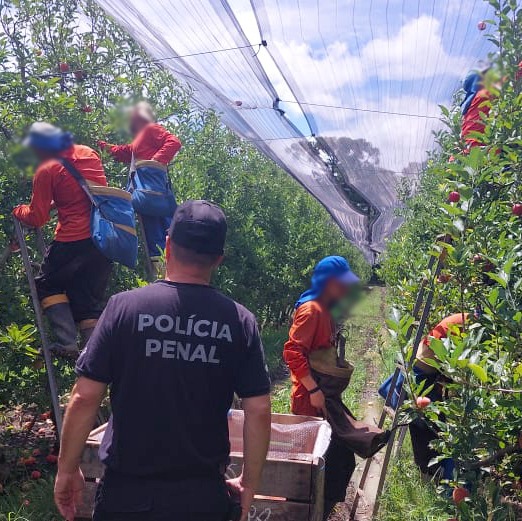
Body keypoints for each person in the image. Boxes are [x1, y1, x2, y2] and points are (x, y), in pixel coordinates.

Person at [54, 200, 272, 521]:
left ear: (168, 245)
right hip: (201, 497)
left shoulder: (123, 308)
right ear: (218, 259)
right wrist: (250, 483)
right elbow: (259, 410)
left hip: (127, 496)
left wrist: (66, 468)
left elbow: (85, 396)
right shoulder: (239, 321)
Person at [283, 256, 388, 520]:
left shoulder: (324, 309)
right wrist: (313, 390)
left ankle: (317, 510)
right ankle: (308, 511)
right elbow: (293, 352)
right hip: (312, 399)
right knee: (327, 463)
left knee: (335, 461)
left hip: (323, 396)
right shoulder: (312, 311)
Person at [12, 122, 112, 355]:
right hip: (102, 240)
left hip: (72, 241)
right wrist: (59, 201)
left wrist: (18, 211)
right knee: (87, 302)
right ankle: (93, 356)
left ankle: (67, 341)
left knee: (47, 284)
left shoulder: (47, 168)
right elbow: (87, 193)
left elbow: (37, 217)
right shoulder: (89, 153)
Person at [98, 102, 182, 275]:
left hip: (152, 190)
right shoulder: (139, 140)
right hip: (149, 193)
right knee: (159, 233)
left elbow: (174, 142)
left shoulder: (151, 129)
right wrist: (100, 145)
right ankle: (166, 273)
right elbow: (122, 152)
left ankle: (168, 272)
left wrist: (154, 162)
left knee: (163, 231)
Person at [410, 312, 469, 479]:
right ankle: (430, 471)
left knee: (432, 418)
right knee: (428, 421)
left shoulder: (465, 319)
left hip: (427, 363)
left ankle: (431, 468)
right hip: (425, 366)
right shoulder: (470, 327)